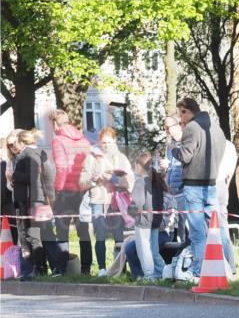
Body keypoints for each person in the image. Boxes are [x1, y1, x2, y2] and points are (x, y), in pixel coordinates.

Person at [173, 97, 225, 280]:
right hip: (211, 184)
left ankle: (199, 273)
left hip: (194, 186)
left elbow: (185, 156)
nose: (181, 119)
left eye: (182, 114)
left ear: (188, 111)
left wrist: (174, 149)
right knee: (217, 229)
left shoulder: (192, 128)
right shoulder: (216, 128)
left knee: (197, 232)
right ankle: (225, 270)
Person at [79, 128, 133, 276]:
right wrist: (95, 180)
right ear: (99, 142)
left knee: (118, 234)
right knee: (100, 234)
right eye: (103, 142)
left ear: (114, 141)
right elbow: (82, 181)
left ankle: (120, 269)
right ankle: (102, 268)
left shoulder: (121, 157)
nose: (106, 145)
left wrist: (114, 179)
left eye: (109, 142)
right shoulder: (92, 157)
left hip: (117, 200)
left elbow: (130, 181)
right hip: (98, 199)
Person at [9, 129, 59, 278]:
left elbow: (30, 176)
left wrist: (13, 175)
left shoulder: (26, 154)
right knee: (46, 234)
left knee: (34, 235)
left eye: (16, 142)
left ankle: (41, 268)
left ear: (21, 142)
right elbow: (48, 175)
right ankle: (55, 267)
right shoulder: (40, 152)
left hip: (31, 201)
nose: (14, 146)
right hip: (41, 199)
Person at [49, 110, 93, 274]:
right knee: (83, 231)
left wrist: (57, 189)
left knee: (62, 231)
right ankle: (86, 268)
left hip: (66, 190)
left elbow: (61, 168)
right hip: (82, 190)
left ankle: (61, 268)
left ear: (55, 123)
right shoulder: (84, 140)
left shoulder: (58, 140)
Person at [128, 152, 167, 280]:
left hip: (143, 221)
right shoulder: (156, 180)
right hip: (155, 221)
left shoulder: (140, 182)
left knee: (144, 249)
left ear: (139, 166)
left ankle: (149, 275)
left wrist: (130, 211)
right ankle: (163, 272)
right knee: (154, 250)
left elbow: (137, 204)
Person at [216, 134, 238, 273]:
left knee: (210, 228)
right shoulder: (229, 146)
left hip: (213, 184)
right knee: (223, 227)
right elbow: (230, 172)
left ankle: (223, 265)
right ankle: (230, 265)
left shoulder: (212, 143)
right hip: (222, 184)